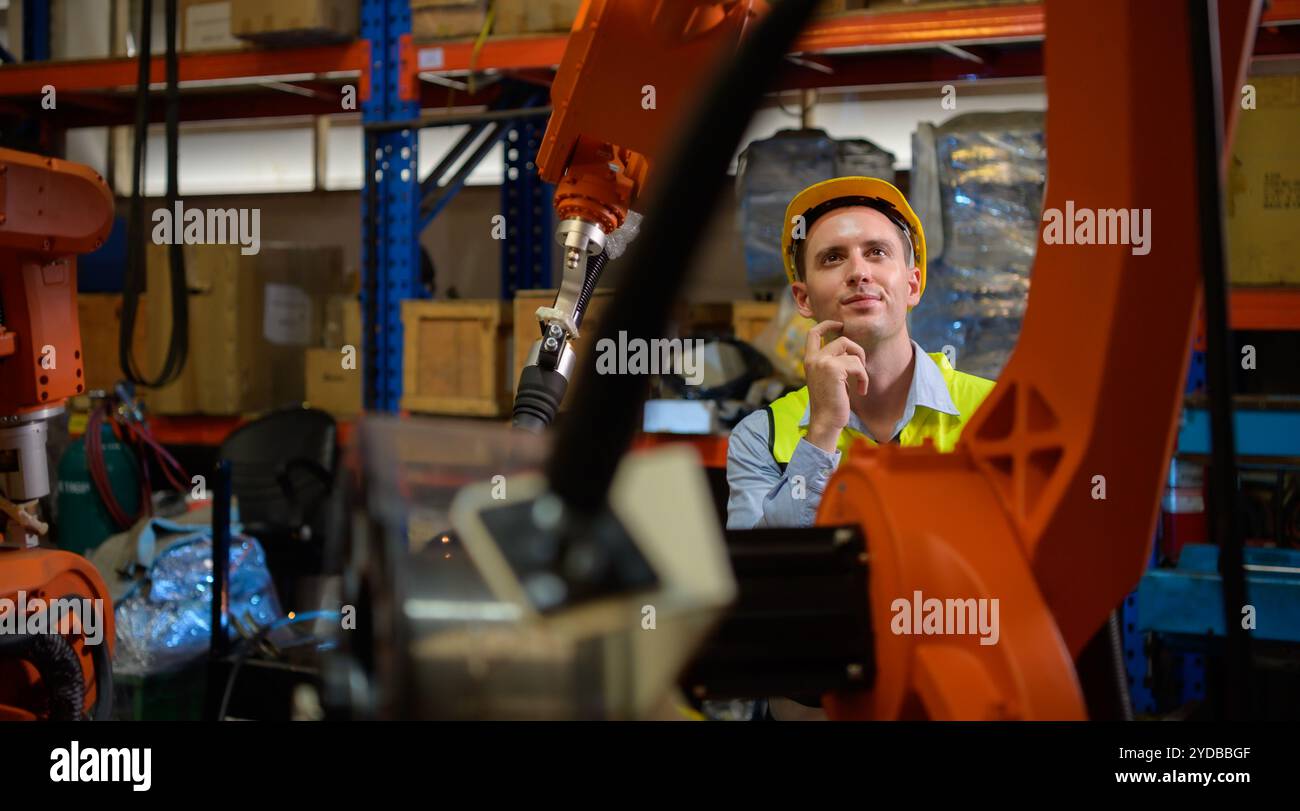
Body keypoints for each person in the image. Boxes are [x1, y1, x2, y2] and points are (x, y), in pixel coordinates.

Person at [727, 177, 996, 531]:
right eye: (833, 258)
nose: (858, 272)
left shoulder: (994, 411)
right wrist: (822, 431)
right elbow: (763, 575)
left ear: (913, 285)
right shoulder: (762, 436)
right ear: (803, 299)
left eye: (877, 252)